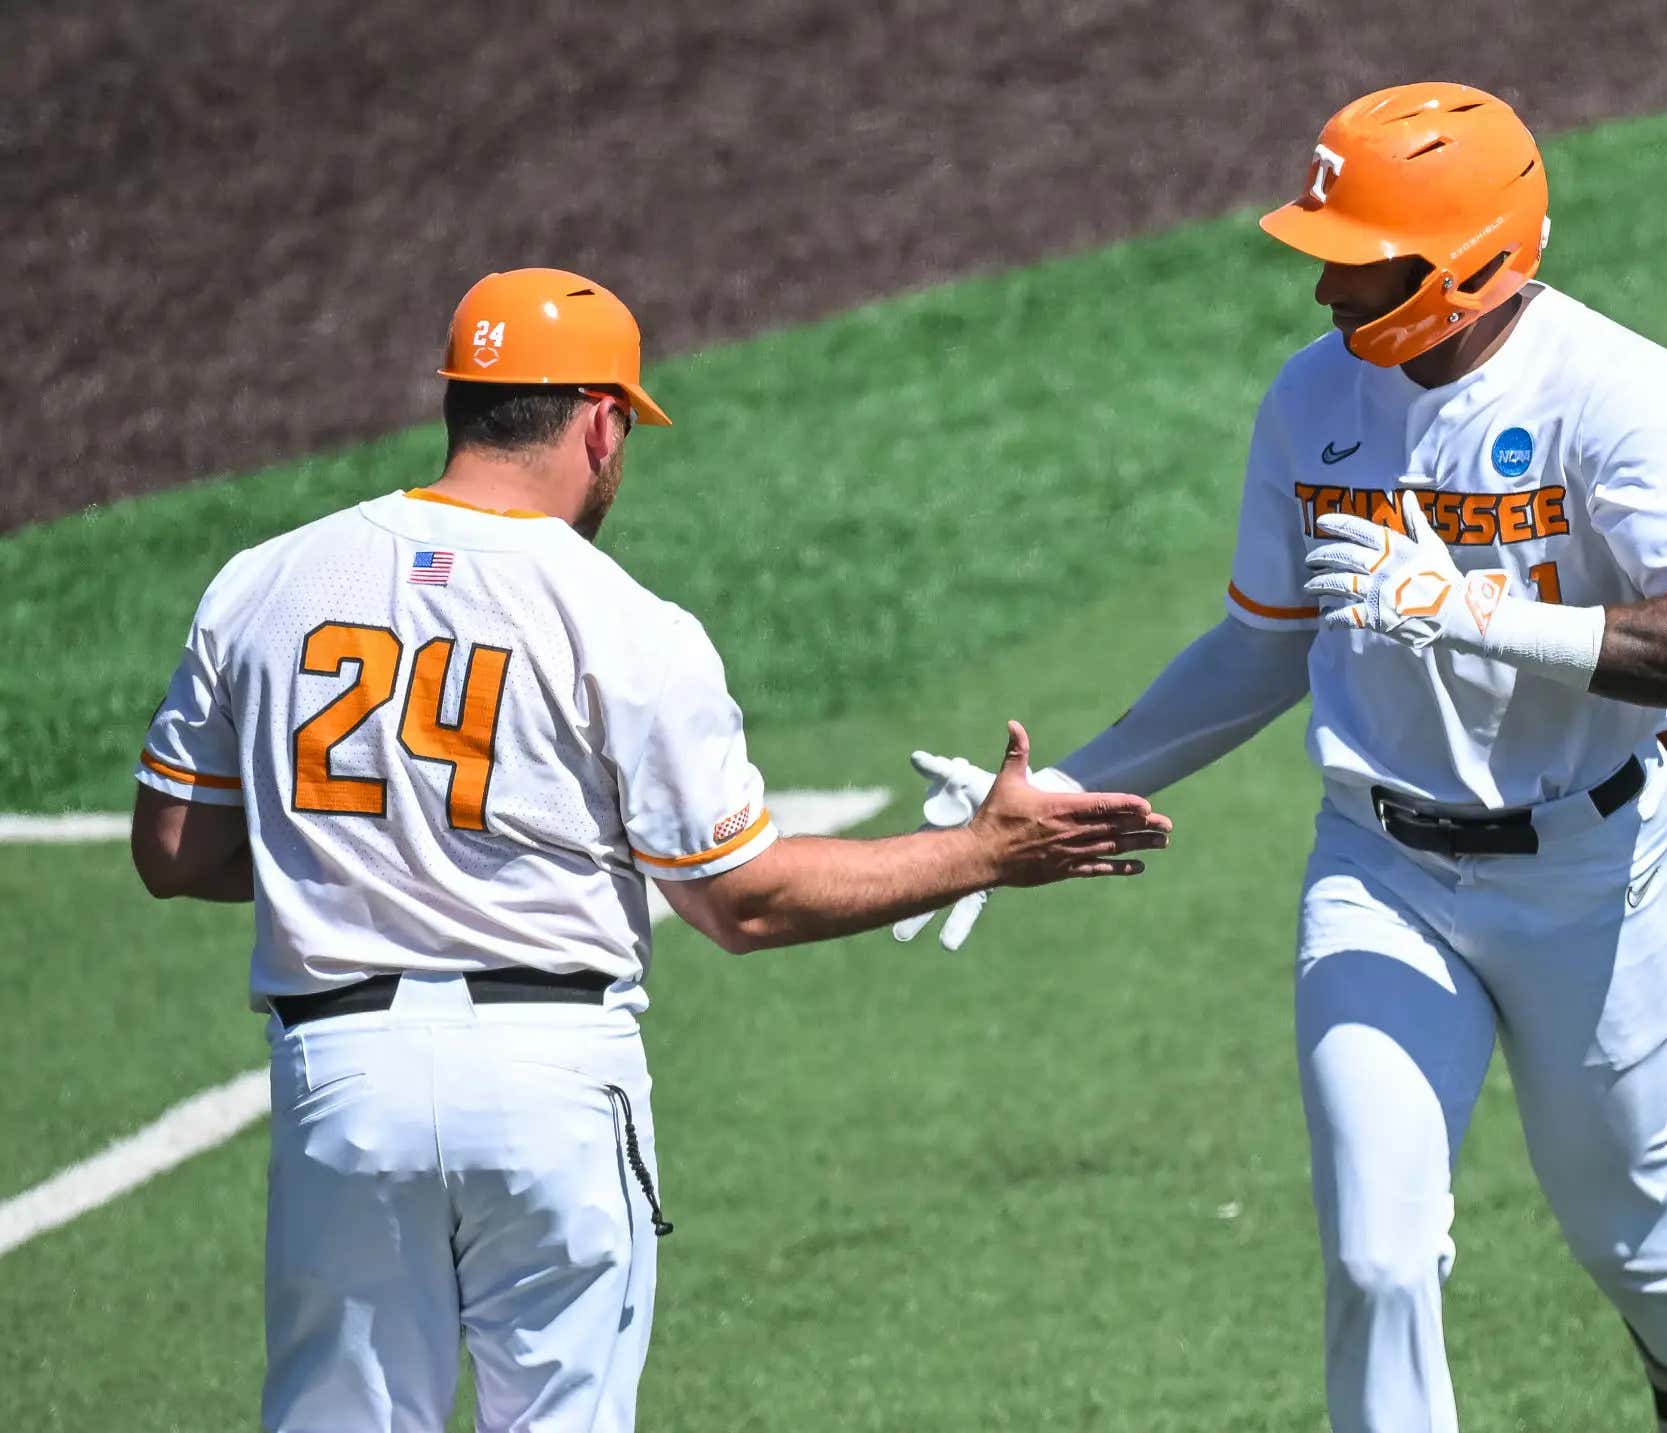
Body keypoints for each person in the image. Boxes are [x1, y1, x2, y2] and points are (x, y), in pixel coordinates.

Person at [128, 266, 1171, 1432]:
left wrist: (372, 863)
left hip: (343, 1085)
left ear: (461, 406)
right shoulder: (624, 620)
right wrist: (983, 850)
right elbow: (746, 902)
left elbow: (173, 848)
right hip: (549, 1077)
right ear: (600, 420)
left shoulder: (264, 580)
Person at [895, 85, 1667, 1432]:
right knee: (1378, 1257)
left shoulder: (1622, 396)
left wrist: (1481, 613)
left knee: (1616, 1205)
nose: (1325, 290)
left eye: (1360, 259)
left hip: (1589, 867)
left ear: (1469, 259)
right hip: (1379, 871)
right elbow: (1262, 648)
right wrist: (1062, 786)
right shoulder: (1317, 399)